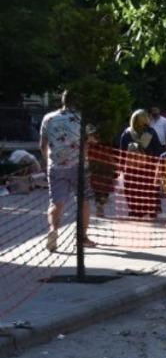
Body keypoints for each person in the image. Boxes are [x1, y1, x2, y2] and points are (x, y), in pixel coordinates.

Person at [39, 90, 94, 251]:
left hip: (56, 166)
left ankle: (53, 231)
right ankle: (82, 237)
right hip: (79, 166)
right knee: (83, 201)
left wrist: (47, 162)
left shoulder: (48, 118)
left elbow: (42, 145)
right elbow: (88, 142)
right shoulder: (81, 118)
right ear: (77, 102)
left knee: (56, 203)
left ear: (62, 101)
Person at [119, 109, 164, 218]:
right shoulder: (151, 132)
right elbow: (158, 151)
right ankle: (151, 209)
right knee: (148, 189)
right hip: (147, 168)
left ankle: (135, 210)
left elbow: (122, 151)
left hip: (131, 168)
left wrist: (121, 167)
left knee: (132, 189)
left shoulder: (127, 132)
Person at [86, 128, 117, 217]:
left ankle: (101, 204)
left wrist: (114, 167)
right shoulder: (88, 146)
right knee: (97, 190)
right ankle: (99, 206)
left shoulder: (105, 146)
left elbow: (110, 156)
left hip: (105, 170)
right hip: (94, 170)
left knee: (105, 190)